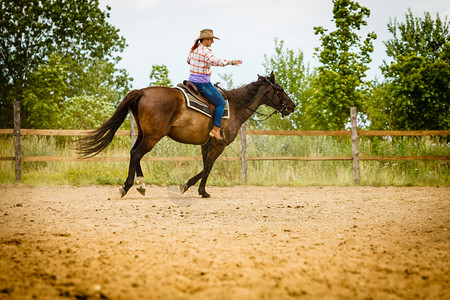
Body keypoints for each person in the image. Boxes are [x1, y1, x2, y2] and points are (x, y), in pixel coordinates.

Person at [187, 29, 242, 140]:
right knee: (221, 103)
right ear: (206, 40)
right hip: (202, 83)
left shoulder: (194, 50)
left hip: (191, 81)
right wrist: (230, 62)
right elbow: (215, 61)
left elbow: (188, 61)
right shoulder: (205, 51)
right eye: (211, 39)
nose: (212, 42)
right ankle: (216, 129)